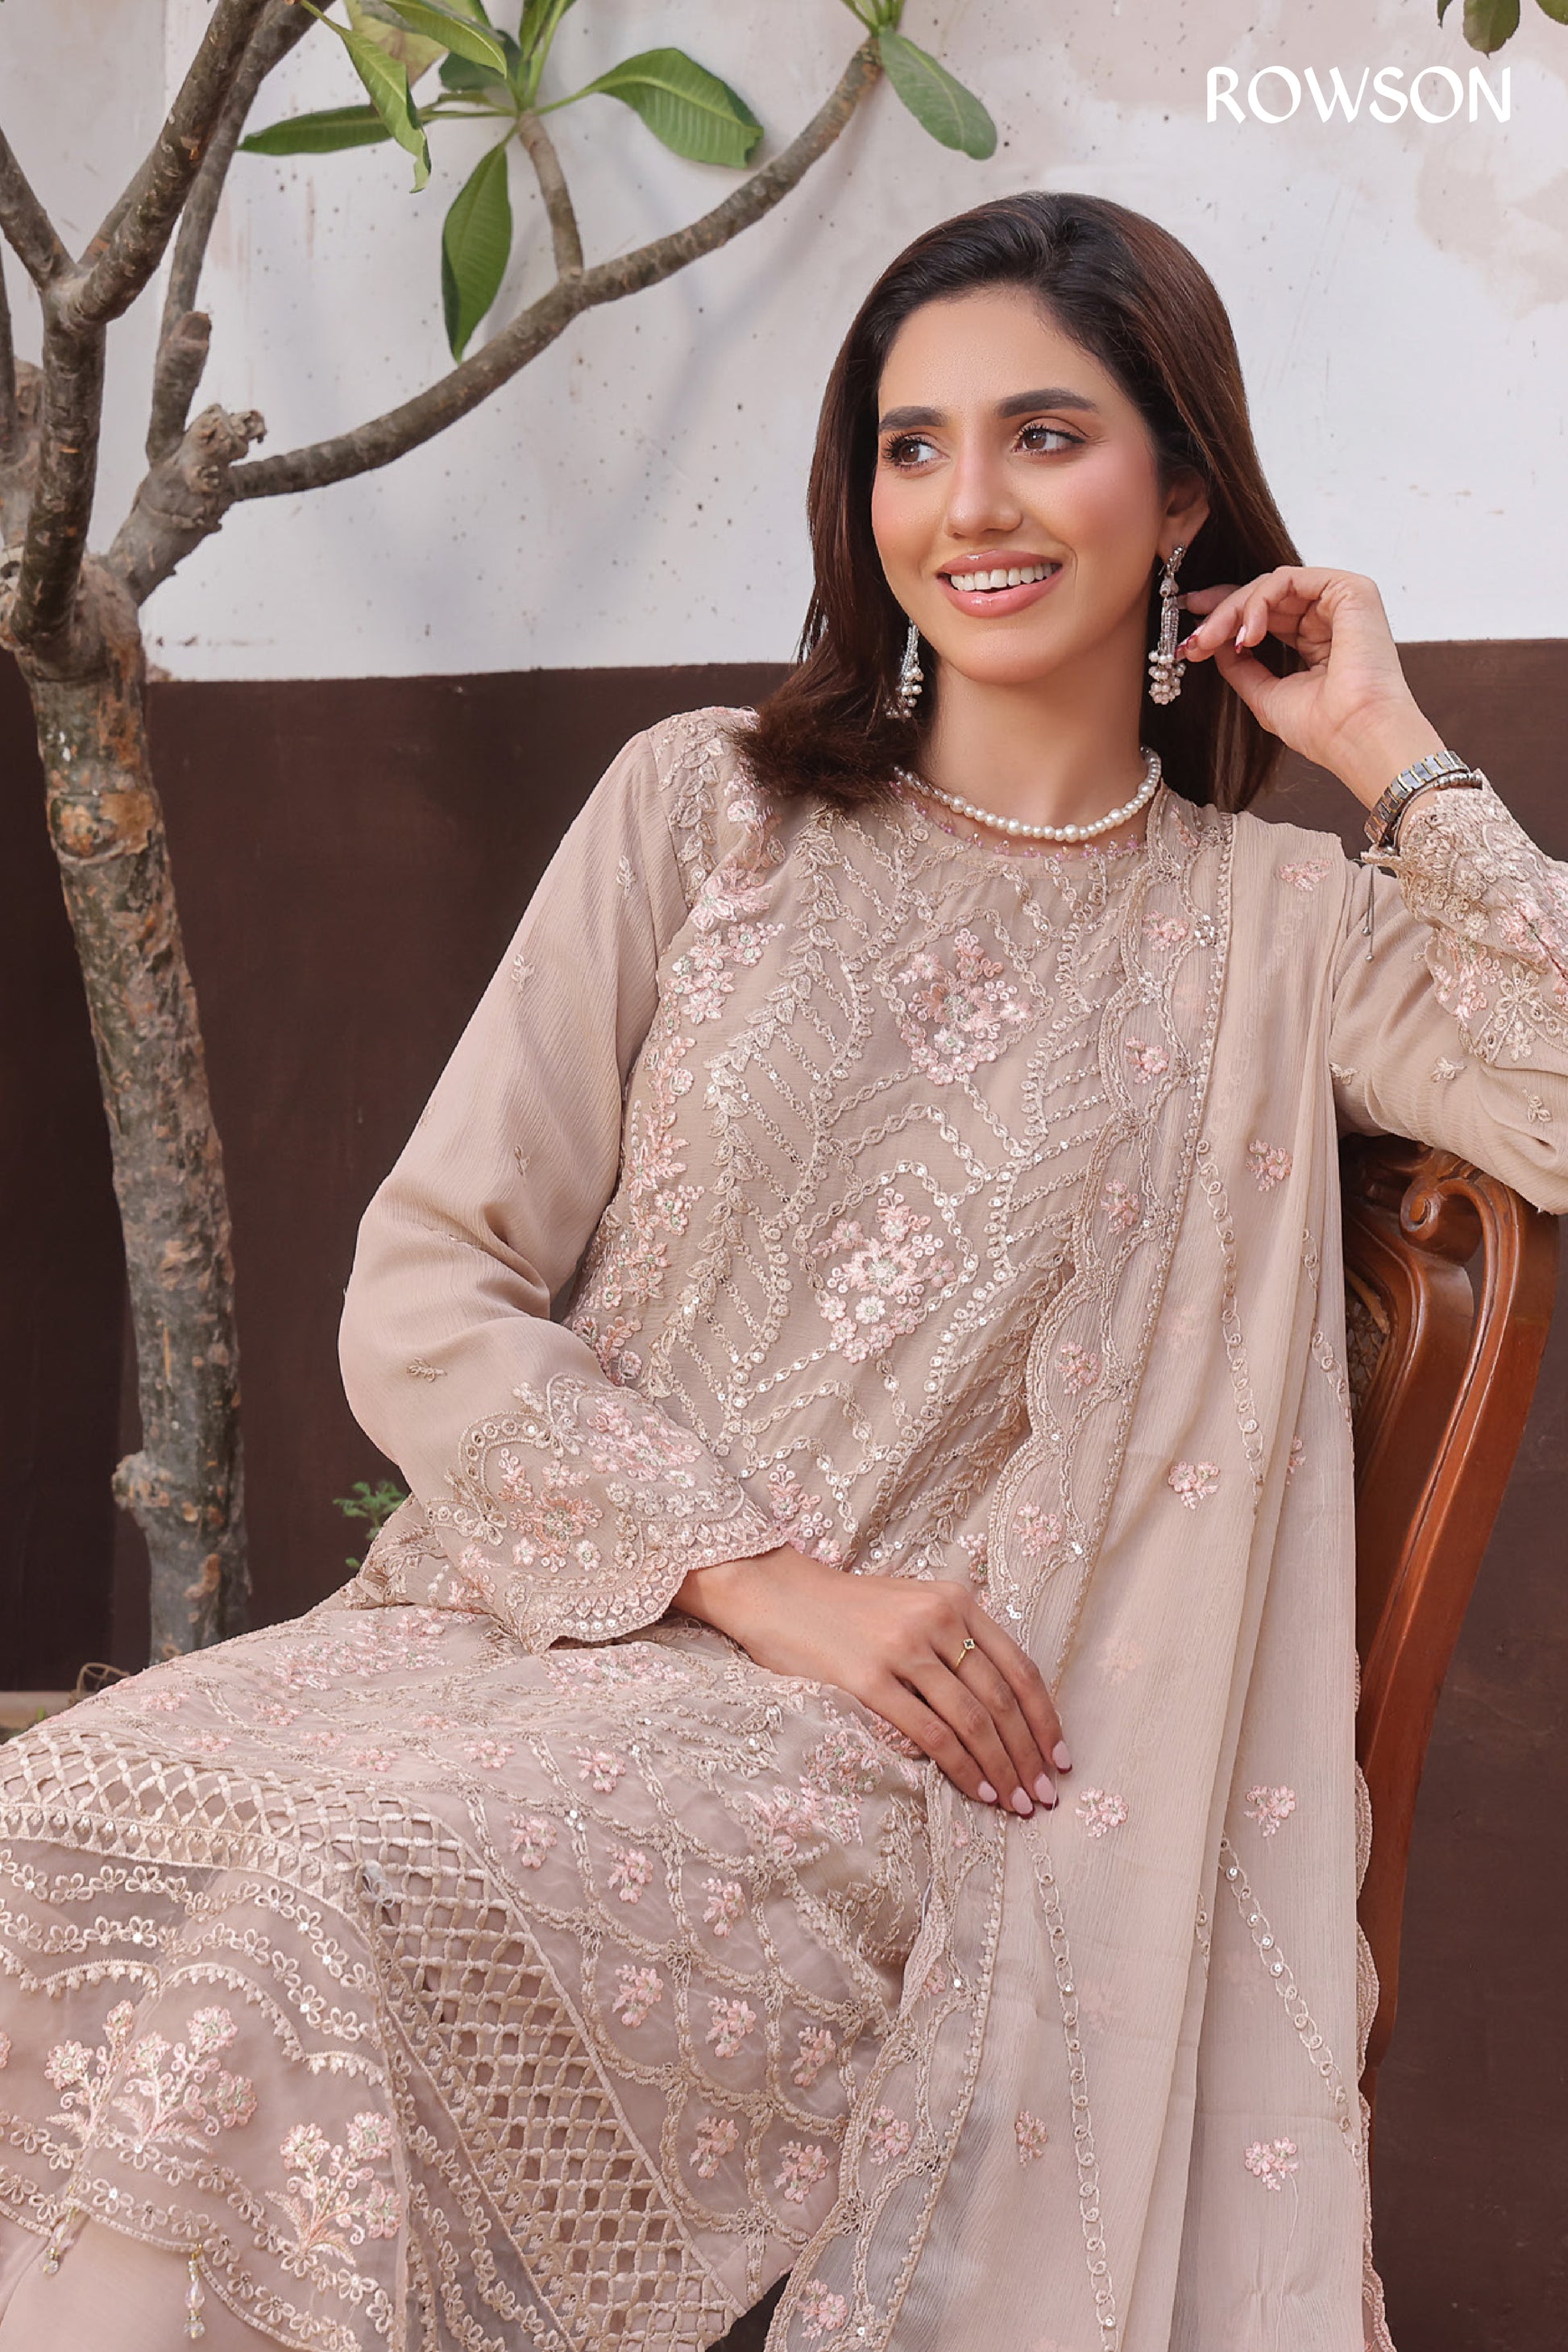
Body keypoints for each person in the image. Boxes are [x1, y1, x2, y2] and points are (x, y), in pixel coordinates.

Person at [1, 189, 1564, 2352]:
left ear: (1184, 492)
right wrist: (752, 1576)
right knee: (53, 1817)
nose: (969, 504)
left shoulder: (1281, 933)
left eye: (1043, 435)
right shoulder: (703, 813)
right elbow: (431, 1281)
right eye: (910, 446)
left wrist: (1387, 748)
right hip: (550, 1618)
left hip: (913, 1761)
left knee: (318, 1899)